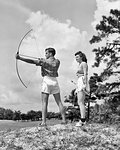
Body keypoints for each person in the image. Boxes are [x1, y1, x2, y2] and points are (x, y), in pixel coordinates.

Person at [16, 47, 66, 126]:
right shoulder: (57, 61)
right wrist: (42, 60)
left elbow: (32, 61)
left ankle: (44, 122)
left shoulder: (43, 61)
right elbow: (50, 62)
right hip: (55, 81)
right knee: (59, 102)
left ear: (50, 53)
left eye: (46, 53)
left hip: (46, 80)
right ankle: (64, 120)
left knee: (44, 102)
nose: (45, 54)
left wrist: (20, 58)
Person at [74, 51, 90, 127]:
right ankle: (83, 119)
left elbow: (86, 74)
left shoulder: (84, 63)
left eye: (77, 57)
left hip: (82, 81)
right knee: (79, 101)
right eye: (75, 57)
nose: (76, 58)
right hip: (79, 81)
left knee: (80, 102)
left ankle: (83, 120)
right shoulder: (80, 64)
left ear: (81, 57)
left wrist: (85, 85)